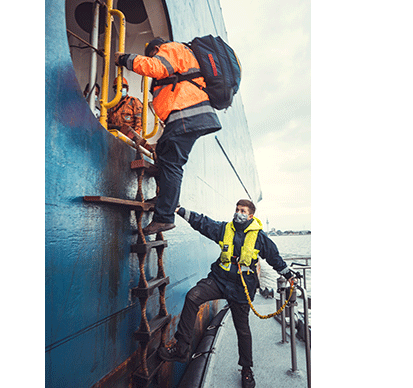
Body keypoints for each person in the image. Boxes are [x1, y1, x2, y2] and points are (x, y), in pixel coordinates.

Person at [159, 200, 298, 388]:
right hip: (219, 281)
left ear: (250, 216)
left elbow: (275, 258)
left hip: (242, 288)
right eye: (237, 209)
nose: (238, 213)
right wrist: (179, 209)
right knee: (193, 296)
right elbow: (202, 223)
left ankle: (247, 369)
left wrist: (289, 275)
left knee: (243, 329)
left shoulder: (260, 237)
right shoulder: (225, 229)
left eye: (243, 211)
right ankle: (182, 348)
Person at [115, 38, 222, 236]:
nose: (155, 56)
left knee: (172, 162)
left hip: (186, 114)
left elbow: (156, 67)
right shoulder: (182, 53)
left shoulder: (170, 48)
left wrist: (125, 59)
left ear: (155, 48)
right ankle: (164, 199)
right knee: (164, 153)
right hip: (185, 117)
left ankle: (164, 217)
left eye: (153, 54)